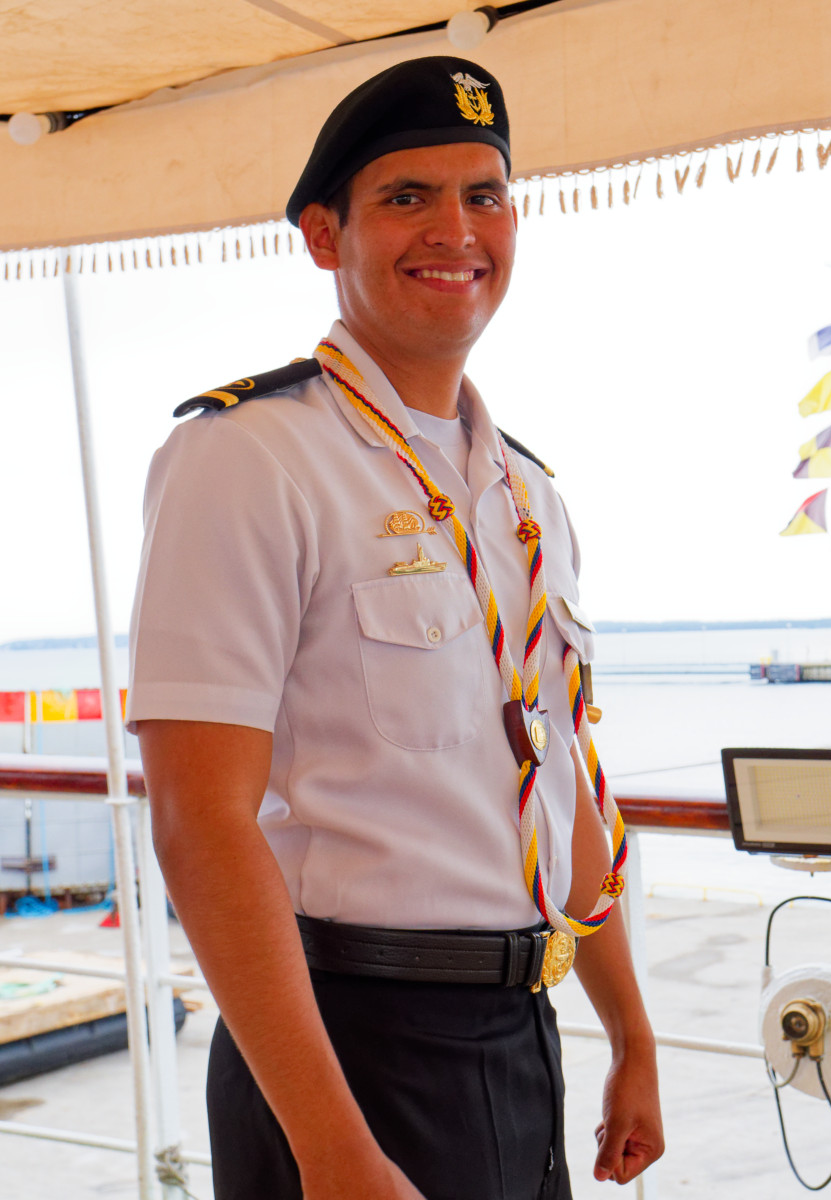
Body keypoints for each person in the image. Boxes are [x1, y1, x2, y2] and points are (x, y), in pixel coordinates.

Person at [127, 56, 664, 1200]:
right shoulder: (247, 459)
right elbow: (199, 822)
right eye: (407, 197)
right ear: (325, 236)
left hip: (519, 1038)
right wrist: (332, 1149)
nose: (455, 231)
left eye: (484, 195)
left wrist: (632, 1033)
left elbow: (558, 779)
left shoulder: (526, 494)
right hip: (341, 1050)